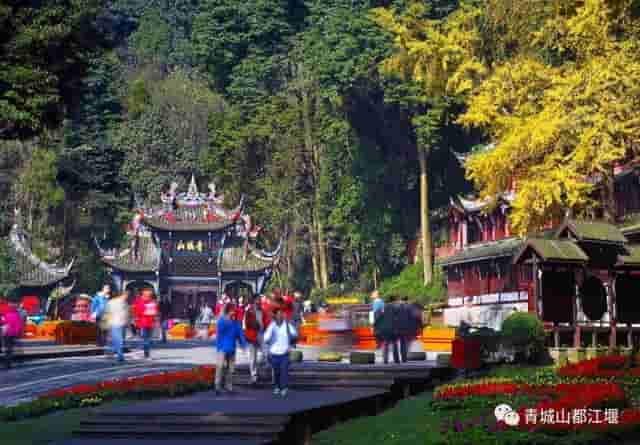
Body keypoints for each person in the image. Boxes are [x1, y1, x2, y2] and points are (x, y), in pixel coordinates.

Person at [263, 308, 297, 397]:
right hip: (274, 353)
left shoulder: (287, 325)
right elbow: (266, 338)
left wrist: (291, 339)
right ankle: (277, 386)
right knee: (277, 372)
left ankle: (284, 388)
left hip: (285, 353)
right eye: (278, 315)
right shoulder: (272, 326)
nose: (279, 316)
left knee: (284, 371)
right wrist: (270, 336)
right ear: (275, 316)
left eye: (281, 314)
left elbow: (295, 334)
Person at [214, 303, 247, 395]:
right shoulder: (222, 322)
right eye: (233, 310)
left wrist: (244, 346)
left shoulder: (236, 323)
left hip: (231, 349)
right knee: (220, 367)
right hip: (222, 348)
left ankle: (229, 387)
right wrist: (218, 347)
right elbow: (219, 335)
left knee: (231, 369)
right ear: (228, 311)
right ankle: (217, 386)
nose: (234, 312)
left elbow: (241, 335)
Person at [243, 295, 264, 384]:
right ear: (254, 301)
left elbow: (266, 320)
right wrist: (256, 325)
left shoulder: (262, 311)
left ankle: (264, 372)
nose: (259, 301)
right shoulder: (249, 311)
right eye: (258, 299)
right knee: (253, 357)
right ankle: (254, 376)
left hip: (262, 334)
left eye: (260, 300)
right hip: (252, 335)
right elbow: (247, 323)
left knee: (266, 354)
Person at [374, 297, 399, 364]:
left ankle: (385, 360)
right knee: (394, 344)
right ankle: (396, 360)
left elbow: (377, 320)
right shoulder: (395, 308)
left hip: (384, 329)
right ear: (392, 301)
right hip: (393, 329)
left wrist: (376, 328)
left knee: (385, 344)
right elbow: (398, 319)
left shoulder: (381, 309)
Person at [134, 289, 158, 359]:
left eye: (149, 295)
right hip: (145, 323)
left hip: (146, 323)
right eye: (147, 294)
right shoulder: (149, 302)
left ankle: (144, 354)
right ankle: (145, 354)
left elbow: (138, 312)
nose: (148, 296)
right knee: (146, 339)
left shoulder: (149, 302)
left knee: (145, 339)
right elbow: (137, 312)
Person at [106, 293, 129, 362]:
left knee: (116, 339)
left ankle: (111, 352)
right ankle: (120, 355)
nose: (126, 297)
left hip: (116, 323)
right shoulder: (123, 303)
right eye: (125, 295)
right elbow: (126, 313)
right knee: (119, 340)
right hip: (118, 323)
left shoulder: (111, 302)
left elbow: (107, 313)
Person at [1, 302, 24, 369]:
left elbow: (3, 322)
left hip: (5, 333)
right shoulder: (17, 315)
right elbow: (18, 325)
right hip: (12, 334)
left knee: (6, 349)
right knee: (10, 349)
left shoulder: (6, 314)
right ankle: (8, 363)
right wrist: (17, 333)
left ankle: (6, 363)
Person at [395, 296, 413, 363]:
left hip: (397, 327)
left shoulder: (396, 307)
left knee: (395, 343)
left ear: (400, 300)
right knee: (403, 343)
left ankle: (396, 359)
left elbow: (394, 317)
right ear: (406, 300)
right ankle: (404, 358)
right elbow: (411, 318)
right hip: (405, 327)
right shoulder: (408, 307)